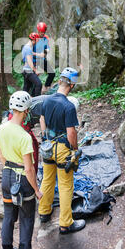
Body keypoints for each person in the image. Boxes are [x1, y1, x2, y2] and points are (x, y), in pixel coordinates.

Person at [0, 91, 43, 249]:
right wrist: (37, 190)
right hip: (22, 179)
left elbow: (1, 156)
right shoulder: (24, 136)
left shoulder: (1, 128)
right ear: (26, 110)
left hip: (6, 176)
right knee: (26, 218)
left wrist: (10, 168)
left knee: (8, 216)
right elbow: (29, 168)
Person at [38, 67, 85, 234]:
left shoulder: (47, 100)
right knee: (65, 186)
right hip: (62, 148)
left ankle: (44, 212)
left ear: (59, 81)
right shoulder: (68, 106)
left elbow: (42, 120)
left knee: (47, 179)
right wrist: (75, 150)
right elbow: (71, 132)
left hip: (48, 146)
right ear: (71, 86)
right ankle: (65, 223)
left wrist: (45, 138)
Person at [33, 22, 55, 94]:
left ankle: (45, 87)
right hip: (34, 60)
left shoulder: (46, 38)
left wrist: (45, 52)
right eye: (40, 32)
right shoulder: (34, 37)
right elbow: (29, 50)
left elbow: (48, 48)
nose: (42, 34)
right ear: (38, 31)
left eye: (43, 32)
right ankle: (32, 93)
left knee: (52, 73)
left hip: (42, 60)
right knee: (34, 78)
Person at [22, 32, 42, 97]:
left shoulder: (26, 47)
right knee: (38, 84)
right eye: (37, 40)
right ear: (34, 40)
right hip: (28, 71)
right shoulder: (28, 49)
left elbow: (29, 55)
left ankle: (23, 100)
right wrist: (35, 70)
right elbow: (29, 62)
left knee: (26, 88)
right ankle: (36, 100)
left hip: (25, 70)